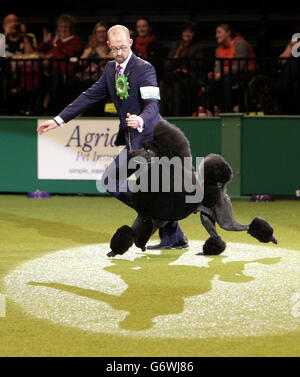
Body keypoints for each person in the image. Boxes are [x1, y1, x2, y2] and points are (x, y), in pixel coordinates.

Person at [37, 24, 188, 250]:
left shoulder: (144, 68)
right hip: (132, 142)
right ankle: (159, 219)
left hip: (152, 141)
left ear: (131, 43)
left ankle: (170, 234)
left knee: (153, 189)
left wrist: (140, 120)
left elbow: (153, 105)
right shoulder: (110, 69)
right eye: (114, 48)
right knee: (111, 181)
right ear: (108, 45)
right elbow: (88, 96)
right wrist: (58, 120)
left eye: (123, 48)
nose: (119, 53)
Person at [202, 24, 256, 114]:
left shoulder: (240, 44)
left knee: (226, 80)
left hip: (244, 74)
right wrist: (215, 74)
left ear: (228, 33)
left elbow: (240, 66)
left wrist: (222, 73)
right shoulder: (218, 49)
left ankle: (228, 111)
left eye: (219, 32)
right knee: (212, 80)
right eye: (216, 33)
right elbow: (217, 67)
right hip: (226, 75)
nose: (216, 36)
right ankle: (214, 109)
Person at [159, 21, 206, 116]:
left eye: (190, 32)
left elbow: (198, 65)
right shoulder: (176, 46)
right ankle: (162, 114)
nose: (187, 34)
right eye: (185, 32)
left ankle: (177, 115)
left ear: (194, 34)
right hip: (175, 75)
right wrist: (177, 55)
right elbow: (167, 65)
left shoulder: (199, 47)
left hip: (190, 77)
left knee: (177, 85)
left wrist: (183, 59)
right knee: (162, 84)